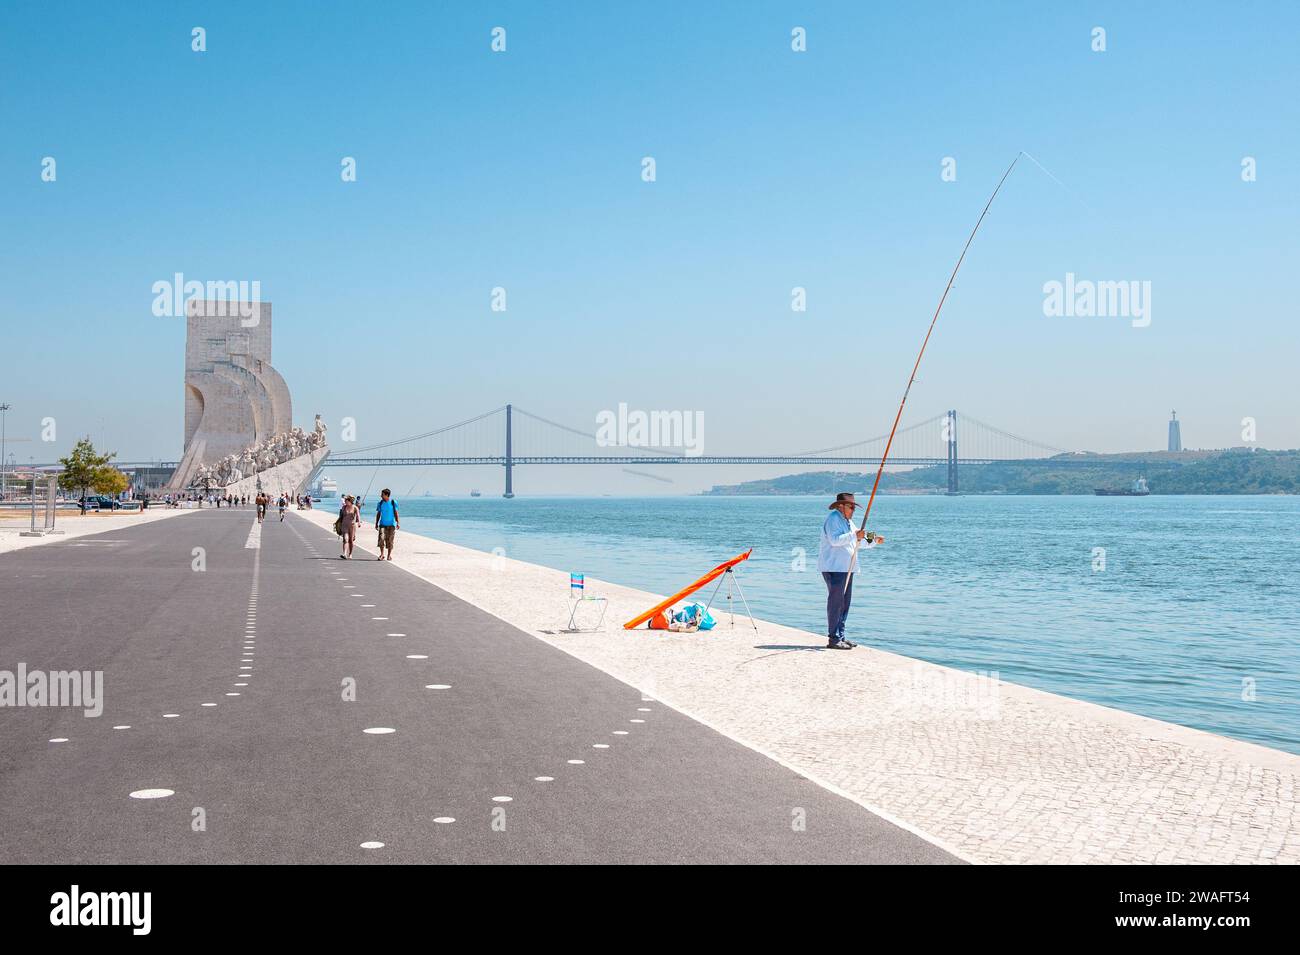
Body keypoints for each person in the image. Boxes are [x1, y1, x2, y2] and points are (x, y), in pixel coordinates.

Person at [818, 492, 884, 649]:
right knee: (836, 602)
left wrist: (874, 540)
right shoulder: (833, 519)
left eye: (854, 507)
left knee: (844, 603)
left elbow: (858, 539)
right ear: (841, 506)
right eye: (851, 507)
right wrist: (855, 535)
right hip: (834, 568)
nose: (853, 510)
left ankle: (841, 635)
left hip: (847, 569)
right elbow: (835, 540)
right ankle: (833, 639)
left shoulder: (848, 522)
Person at [374, 488, 400, 561]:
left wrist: (398, 522)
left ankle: (389, 555)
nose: (381, 496)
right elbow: (378, 513)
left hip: (391, 525)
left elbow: (396, 513)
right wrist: (376, 523)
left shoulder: (393, 502)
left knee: (390, 540)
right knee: (381, 538)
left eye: (382, 494)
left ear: (387, 495)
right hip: (382, 524)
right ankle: (382, 555)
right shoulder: (380, 503)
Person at [337, 494, 361, 559]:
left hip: (352, 526)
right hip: (344, 526)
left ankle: (350, 554)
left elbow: (358, 515)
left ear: (350, 500)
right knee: (345, 539)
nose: (345, 501)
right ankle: (344, 553)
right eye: (345, 500)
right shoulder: (343, 507)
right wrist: (338, 523)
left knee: (351, 541)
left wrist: (359, 522)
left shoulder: (355, 507)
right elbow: (341, 516)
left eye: (346, 500)